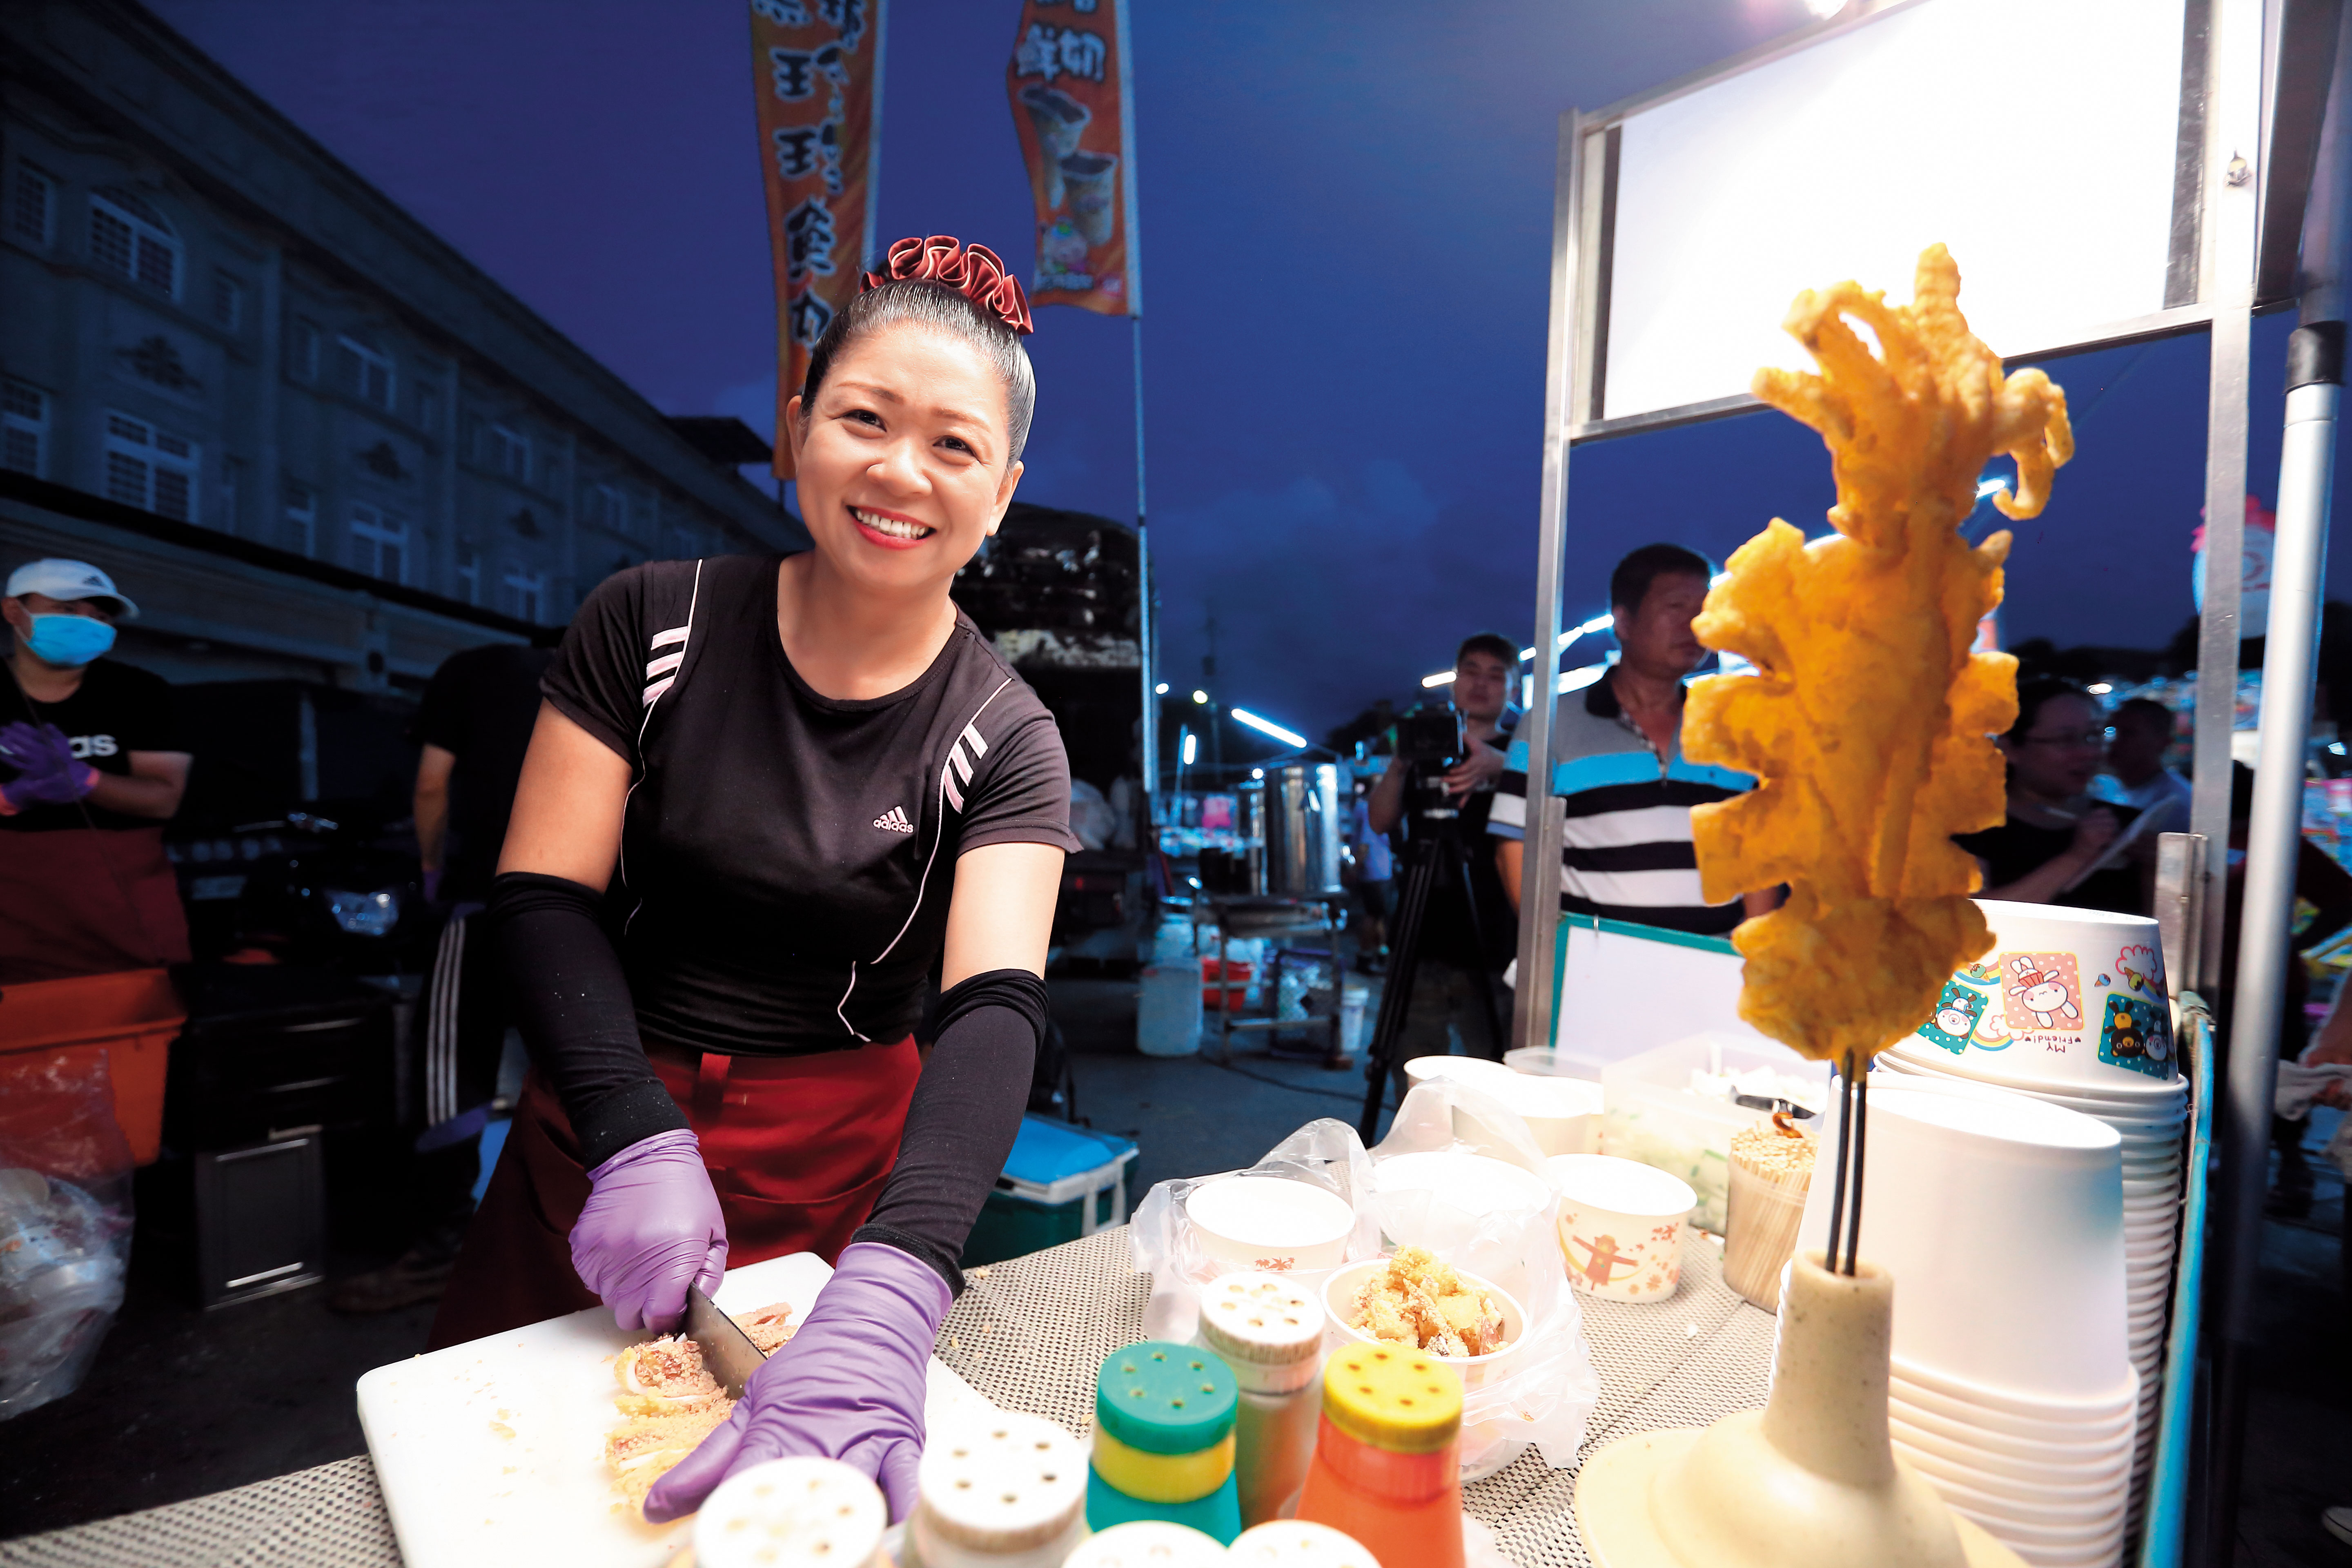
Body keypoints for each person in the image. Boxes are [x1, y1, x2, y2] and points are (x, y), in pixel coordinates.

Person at [427, 236, 1078, 1524]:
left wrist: (902, 1272)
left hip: (834, 1153)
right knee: (510, 1480)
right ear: (797, 428)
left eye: (954, 446)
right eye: (864, 418)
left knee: (791, 1511)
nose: (900, 470)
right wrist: (628, 1125)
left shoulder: (1007, 735)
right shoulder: (648, 620)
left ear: (1001, 492)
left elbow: (996, 1004)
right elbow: (544, 894)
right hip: (605, 1119)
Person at [329, 635, 558, 1314]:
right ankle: (574, 1248)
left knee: (452, 1073)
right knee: (587, 1072)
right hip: (594, 904)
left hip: (488, 897)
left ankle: (439, 1253)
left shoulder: (474, 668)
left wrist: (433, 873)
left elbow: (432, 784)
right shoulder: (629, 665)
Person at [1492, 544, 1776, 936]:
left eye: (1705, 609)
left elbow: (1756, 853)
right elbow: (1516, 847)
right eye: (1676, 607)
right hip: (1593, 973)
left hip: (1712, 970)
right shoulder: (1550, 724)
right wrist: (1550, 949)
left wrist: (1752, 949)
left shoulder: (1732, 729)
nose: (1694, 623)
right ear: (1623, 622)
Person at [0, 559, 191, 982]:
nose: (87, 623)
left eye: (101, 616)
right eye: (67, 610)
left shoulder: (141, 693)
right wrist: (15, 797)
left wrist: (83, 780)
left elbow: (164, 798)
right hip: (11, 922)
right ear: (14, 611)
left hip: (124, 920)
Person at [1365, 633, 1520, 1060]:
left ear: (1514, 690)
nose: (1481, 684)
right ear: (1454, 682)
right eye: (1471, 671)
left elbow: (1554, 804)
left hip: (1492, 935)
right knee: (1411, 1059)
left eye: (1495, 675)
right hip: (1421, 930)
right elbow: (1380, 820)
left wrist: (1502, 767)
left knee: (1491, 1063)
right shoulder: (1422, 748)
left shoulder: (1526, 751)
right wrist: (1401, 763)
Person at [1955, 677, 2145, 914]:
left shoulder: (2126, 824)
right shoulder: (1972, 828)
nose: (2087, 753)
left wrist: (2160, 866)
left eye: (2094, 736)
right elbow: (1974, 916)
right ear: (2011, 748)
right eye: (2065, 740)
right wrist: (2077, 856)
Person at [2094, 697, 2191, 825]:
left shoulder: (2177, 801)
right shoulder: (2101, 786)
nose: (2114, 741)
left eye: (2128, 733)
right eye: (2109, 731)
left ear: (2162, 743)